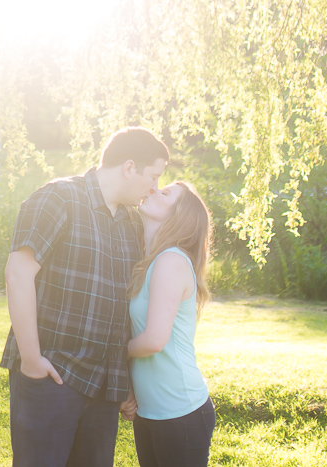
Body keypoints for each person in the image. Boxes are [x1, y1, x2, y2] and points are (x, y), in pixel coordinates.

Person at [2, 126, 169, 467]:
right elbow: (18, 273)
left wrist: (123, 383)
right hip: (53, 376)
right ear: (129, 167)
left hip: (104, 388)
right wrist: (32, 359)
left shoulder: (131, 223)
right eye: (153, 176)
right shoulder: (58, 198)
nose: (155, 188)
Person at [122, 181, 215, 467]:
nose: (151, 189)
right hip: (150, 411)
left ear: (179, 216)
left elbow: (153, 340)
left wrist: (109, 349)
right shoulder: (147, 261)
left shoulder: (170, 261)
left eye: (164, 193)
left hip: (181, 411)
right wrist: (128, 392)